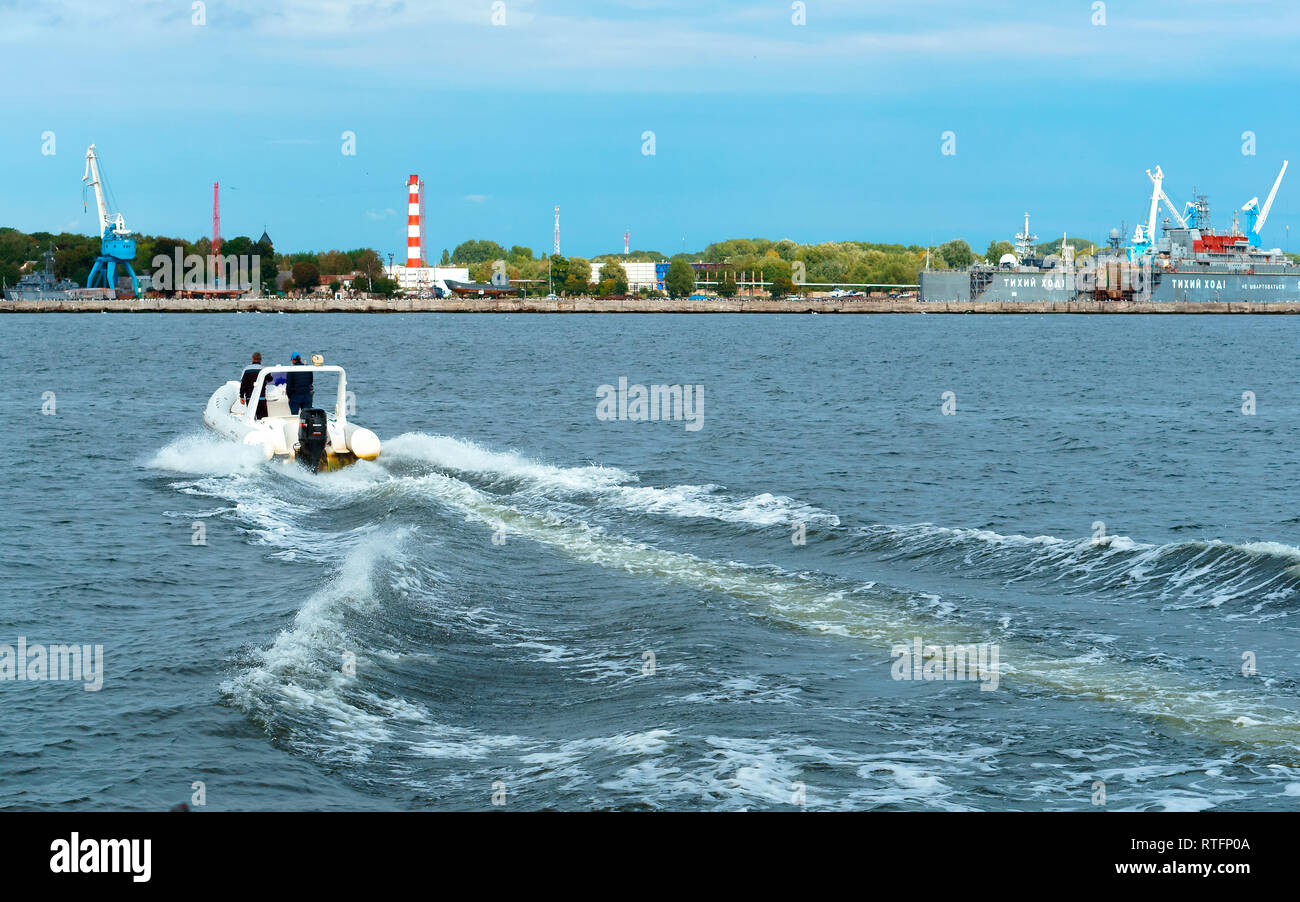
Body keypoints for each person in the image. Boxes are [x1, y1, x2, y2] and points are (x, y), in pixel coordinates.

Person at [238, 352, 269, 419]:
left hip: (250, 397)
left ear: (252, 359)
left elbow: (243, 384)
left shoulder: (246, 369)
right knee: (262, 418)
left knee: (251, 417)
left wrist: (241, 396)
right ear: (261, 359)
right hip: (261, 397)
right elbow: (270, 379)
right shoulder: (264, 369)